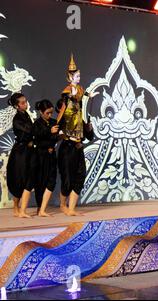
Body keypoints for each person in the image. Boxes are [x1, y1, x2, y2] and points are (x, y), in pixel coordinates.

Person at [57, 54, 97, 216]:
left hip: (78, 143)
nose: (79, 78)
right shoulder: (68, 93)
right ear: (70, 77)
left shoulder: (79, 91)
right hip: (68, 145)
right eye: (77, 76)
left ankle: (72, 208)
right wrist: (71, 97)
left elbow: (84, 94)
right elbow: (66, 99)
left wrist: (89, 96)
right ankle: (62, 205)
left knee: (79, 176)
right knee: (67, 178)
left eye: (80, 76)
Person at [6, 93, 35, 218]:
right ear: (17, 106)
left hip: (28, 150)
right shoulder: (17, 118)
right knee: (19, 177)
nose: (25, 104)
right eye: (22, 103)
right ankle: (16, 207)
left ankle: (21, 208)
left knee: (27, 177)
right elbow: (29, 130)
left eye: (26, 101)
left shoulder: (26, 115)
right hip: (20, 151)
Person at [32, 100, 59, 217]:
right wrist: (49, 131)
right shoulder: (37, 124)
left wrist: (59, 135)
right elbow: (37, 138)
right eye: (47, 113)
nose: (49, 115)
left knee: (51, 181)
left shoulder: (54, 122)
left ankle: (43, 208)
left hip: (51, 155)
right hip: (40, 155)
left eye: (51, 113)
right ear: (41, 112)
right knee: (40, 182)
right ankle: (40, 208)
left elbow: (55, 138)